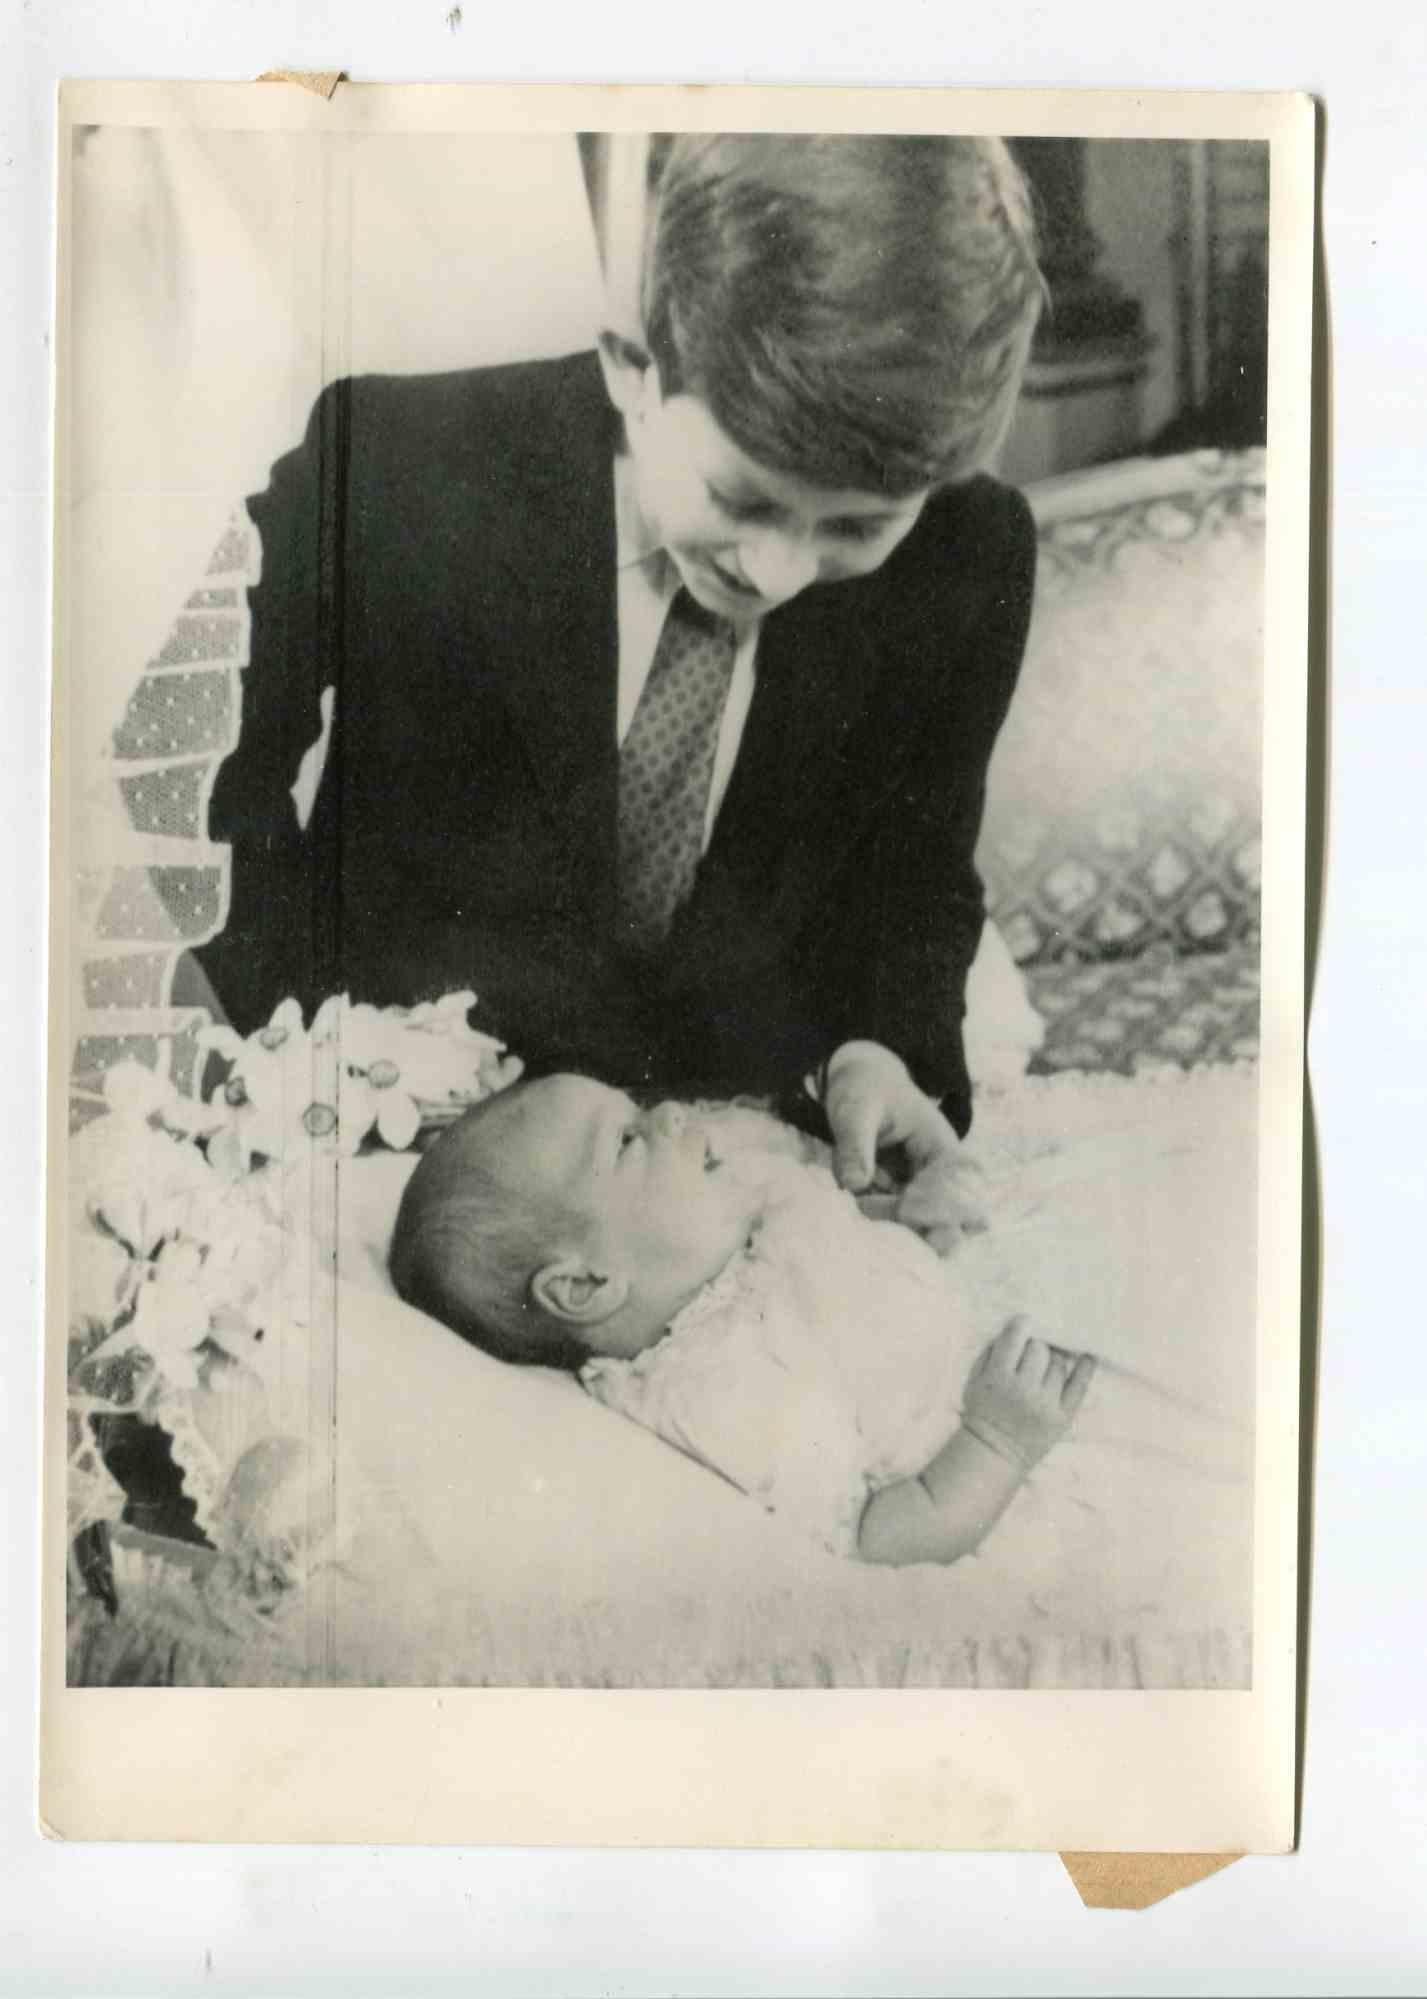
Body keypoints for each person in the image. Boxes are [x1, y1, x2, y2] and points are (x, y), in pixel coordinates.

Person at [191, 133, 1045, 1232]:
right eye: (739, 498)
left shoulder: (967, 554)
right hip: (393, 1161)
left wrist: (880, 1048)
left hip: (722, 1175)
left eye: (855, 526)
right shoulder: (396, 462)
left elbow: (917, 870)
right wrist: (302, 1046)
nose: (776, 571)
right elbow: (208, 781)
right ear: (629, 366)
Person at [389, 1072, 1096, 1567]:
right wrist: (997, 1441)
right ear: (584, 1282)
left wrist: (901, 1215)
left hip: (993, 1291)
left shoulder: (723, 1212)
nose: (668, 1114)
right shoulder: (722, 1385)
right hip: (1006, 1416)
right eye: (629, 1140)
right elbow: (877, 1534)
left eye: (637, 1104)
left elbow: (830, 1224)